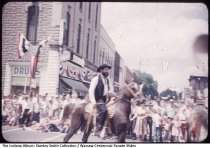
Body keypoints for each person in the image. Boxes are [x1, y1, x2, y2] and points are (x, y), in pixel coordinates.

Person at [89, 64, 114, 132]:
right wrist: (93, 101)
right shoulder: (96, 79)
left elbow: (112, 90)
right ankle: (99, 125)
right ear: (101, 70)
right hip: (99, 99)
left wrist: (111, 93)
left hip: (107, 99)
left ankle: (110, 129)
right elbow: (91, 90)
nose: (107, 71)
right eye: (105, 70)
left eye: (108, 70)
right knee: (104, 110)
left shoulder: (109, 79)